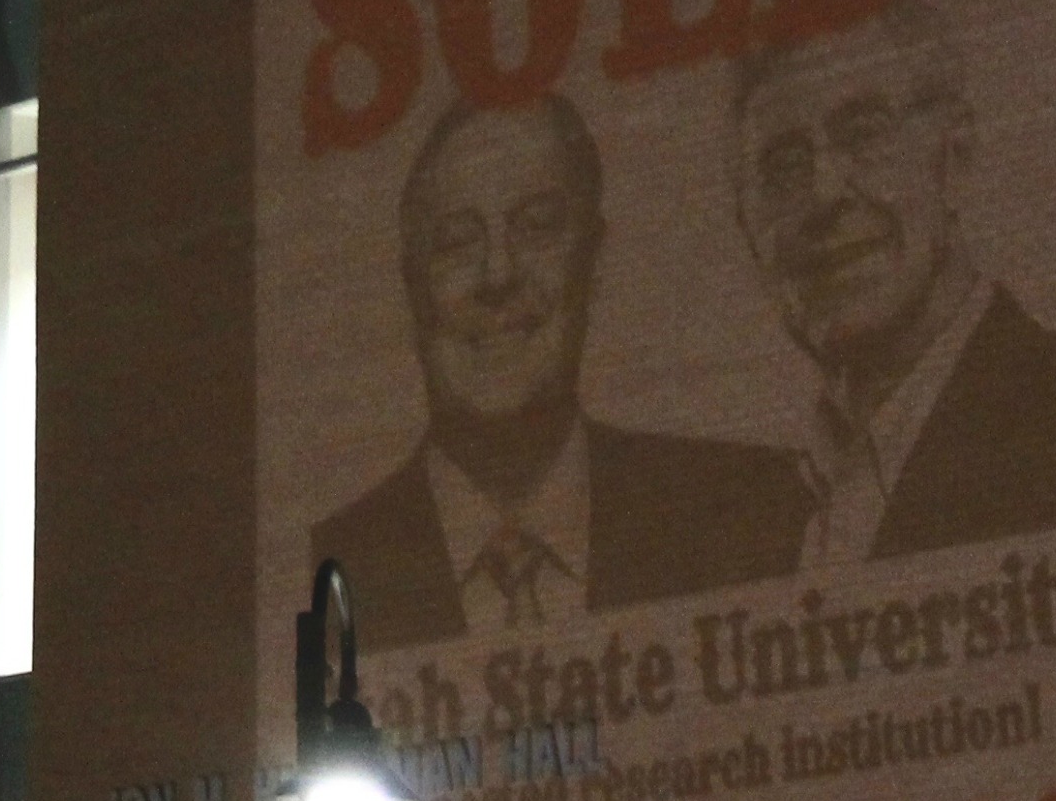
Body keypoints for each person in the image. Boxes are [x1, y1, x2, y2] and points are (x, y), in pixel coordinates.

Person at [313, 95, 813, 651]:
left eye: (537, 227)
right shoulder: (323, 572)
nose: (498, 273)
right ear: (412, 287)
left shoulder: (752, 515)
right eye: (457, 241)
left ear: (593, 263)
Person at [729, 0, 1056, 564]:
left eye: (863, 134)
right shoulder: (749, 520)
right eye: (782, 166)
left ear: (955, 159)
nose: (823, 192)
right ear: (746, 225)